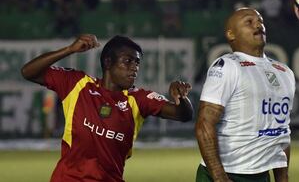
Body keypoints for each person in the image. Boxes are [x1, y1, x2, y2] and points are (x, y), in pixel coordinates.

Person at [21, 34, 194, 182]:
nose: (135, 67)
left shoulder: (138, 99)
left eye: (137, 63)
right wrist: (69, 50)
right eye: (128, 61)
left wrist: (181, 97)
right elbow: (28, 72)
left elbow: (183, 114)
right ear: (108, 62)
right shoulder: (78, 84)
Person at [195, 8, 296, 182]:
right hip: (226, 173)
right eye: (249, 22)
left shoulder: (285, 72)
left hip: (261, 175)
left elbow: (282, 133)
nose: (258, 24)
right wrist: (220, 177)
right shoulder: (226, 66)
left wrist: (282, 178)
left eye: (260, 21)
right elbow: (204, 125)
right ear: (231, 34)